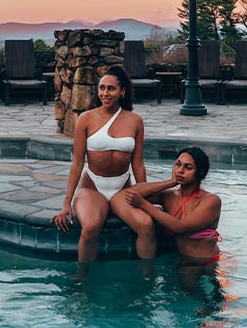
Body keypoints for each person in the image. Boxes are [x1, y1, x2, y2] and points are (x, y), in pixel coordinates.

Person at [52, 65, 156, 264]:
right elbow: (77, 163)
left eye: (111, 88)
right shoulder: (86, 119)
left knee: (146, 224)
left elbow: (138, 164)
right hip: (93, 186)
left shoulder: (135, 120)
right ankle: (84, 282)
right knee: (91, 226)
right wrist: (66, 203)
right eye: (101, 88)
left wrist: (145, 199)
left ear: (122, 91)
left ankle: (146, 282)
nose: (104, 93)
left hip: (122, 188)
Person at [115, 147, 222, 268]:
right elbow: (129, 193)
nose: (180, 171)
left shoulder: (210, 200)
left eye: (188, 167)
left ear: (201, 172)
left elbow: (179, 227)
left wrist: (143, 204)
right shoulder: (170, 196)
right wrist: (170, 182)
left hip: (207, 263)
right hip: (182, 261)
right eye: (178, 165)